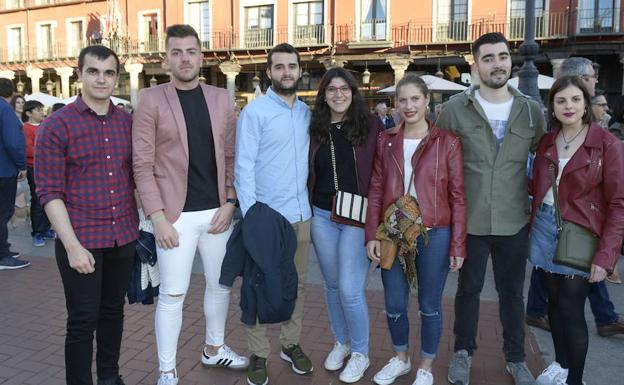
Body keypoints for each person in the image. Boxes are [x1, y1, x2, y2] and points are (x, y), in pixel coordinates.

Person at [132, 25, 247, 385]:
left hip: (217, 212)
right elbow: (142, 165)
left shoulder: (221, 98)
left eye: (191, 51)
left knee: (220, 286)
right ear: (166, 58)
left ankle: (214, 349)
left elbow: (231, 156)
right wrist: (158, 218)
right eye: (177, 52)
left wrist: (231, 202)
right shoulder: (150, 99)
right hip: (173, 217)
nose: (184, 58)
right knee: (173, 294)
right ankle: (167, 370)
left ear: (201, 56)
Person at [436, 32, 545, 385]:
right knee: (467, 293)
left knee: (512, 295)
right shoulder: (454, 110)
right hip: (470, 222)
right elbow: (438, 164)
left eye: (501, 56)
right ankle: (462, 355)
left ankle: (516, 359)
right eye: (488, 58)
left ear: (509, 60)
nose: (496, 63)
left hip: (514, 221)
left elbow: (545, 160)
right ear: (475, 65)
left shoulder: (531, 110)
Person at [35, 45, 138, 385]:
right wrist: (72, 246)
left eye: (109, 72)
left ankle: (110, 377)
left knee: (112, 313)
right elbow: (49, 192)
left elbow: (138, 177)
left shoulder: (127, 123)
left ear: (117, 78)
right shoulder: (56, 126)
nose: (101, 79)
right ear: (79, 74)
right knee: (82, 320)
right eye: (93, 71)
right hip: (81, 239)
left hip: (122, 236)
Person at [367, 74, 467, 385]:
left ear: (426, 101)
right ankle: (400, 358)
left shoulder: (447, 142)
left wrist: (458, 245)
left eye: (415, 99)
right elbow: (375, 188)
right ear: (396, 104)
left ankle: (425, 365)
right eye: (403, 99)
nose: (408, 105)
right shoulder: (386, 140)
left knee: (429, 305)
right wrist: (371, 234)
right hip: (394, 232)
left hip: (435, 233)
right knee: (394, 302)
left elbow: (458, 196)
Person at [529, 75, 624, 385]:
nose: (568, 106)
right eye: (561, 100)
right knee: (553, 305)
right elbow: (538, 186)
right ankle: (560, 365)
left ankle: (575, 380)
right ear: (552, 107)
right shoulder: (547, 140)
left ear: (585, 104)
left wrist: (606, 256)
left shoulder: (607, 144)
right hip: (545, 227)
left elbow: (618, 203)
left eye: (574, 99)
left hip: (581, 234)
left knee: (570, 309)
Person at [235, 42, 313, 385]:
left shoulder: (306, 113)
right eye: (279, 67)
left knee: (296, 286)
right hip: (267, 218)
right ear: (268, 72)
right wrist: (253, 217)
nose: (286, 72)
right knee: (256, 286)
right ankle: (258, 352)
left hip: (301, 215)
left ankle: (291, 344)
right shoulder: (254, 113)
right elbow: (243, 167)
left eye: (291, 66)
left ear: (299, 70)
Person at [307, 67, 382, 383]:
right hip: (322, 216)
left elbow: (381, 174)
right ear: (323, 95)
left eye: (344, 89)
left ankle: (361, 352)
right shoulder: (314, 128)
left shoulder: (372, 126)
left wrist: (378, 222)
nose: (338, 94)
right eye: (331, 89)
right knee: (333, 285)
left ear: (354, 92)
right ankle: (342, 341)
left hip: (357, 217)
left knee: (351, 290)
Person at [0, 78, 28, 270]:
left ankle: (4, 249)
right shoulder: (5, 110)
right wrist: (22, 165)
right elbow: (12, 141)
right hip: (4, 170)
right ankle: (3, 255)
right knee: (3, 214)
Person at [21, 100, 55, 247]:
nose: (42, 112)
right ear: (28, 113)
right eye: (38, 110)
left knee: (50, 198)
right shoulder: (26, 129)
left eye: (42, 109)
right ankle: (37, 232)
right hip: (34, 167)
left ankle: (46, 228)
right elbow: (29, 150)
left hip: (49, 167)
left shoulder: (44, 126)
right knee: (37, 199)